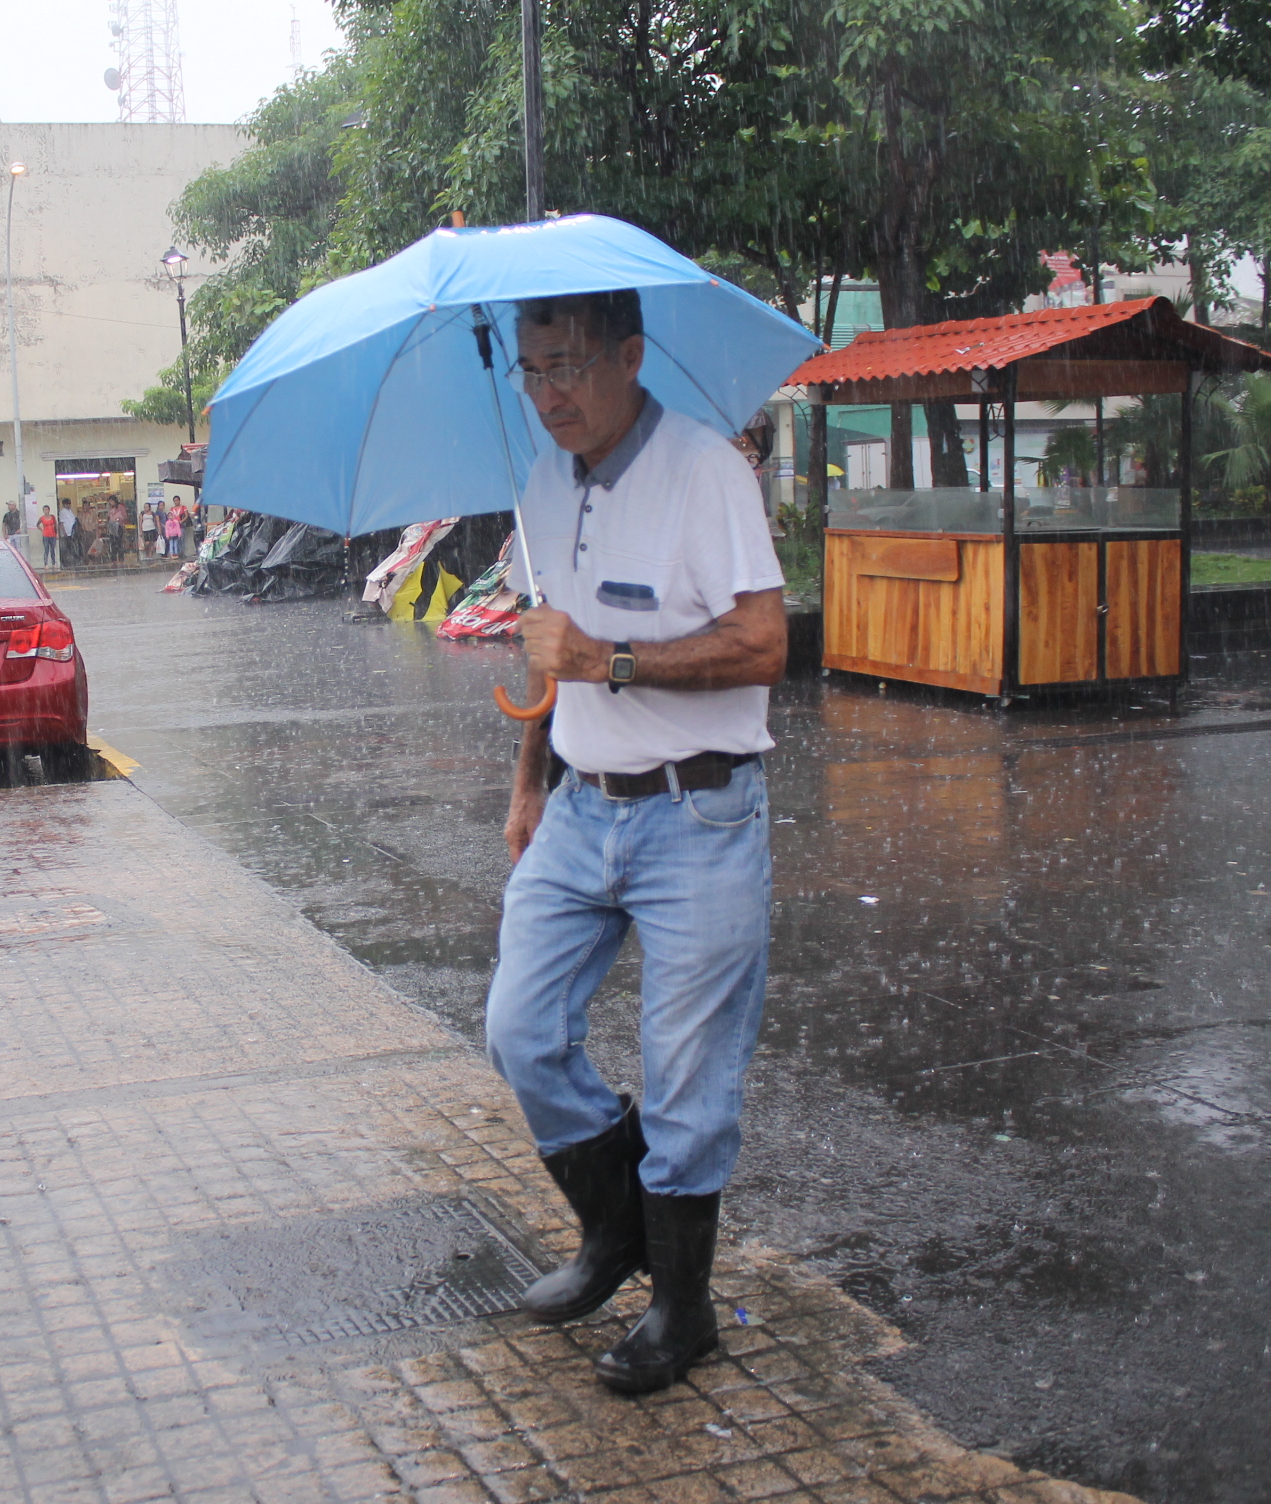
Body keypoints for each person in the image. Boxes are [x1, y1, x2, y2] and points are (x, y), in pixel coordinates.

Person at [488, 289, 786, 1397]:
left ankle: (683, 1306)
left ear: (629, 354)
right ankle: (617, 1229)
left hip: (697, 813)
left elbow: (764, 643)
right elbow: (539, 658)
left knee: (685, 1077)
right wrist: (528, 784)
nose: (550, 393)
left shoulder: (709, 471)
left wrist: (610, 659)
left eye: (568, 364)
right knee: (521, 1028)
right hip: (577, 807)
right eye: (531, 369)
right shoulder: (541, 480)